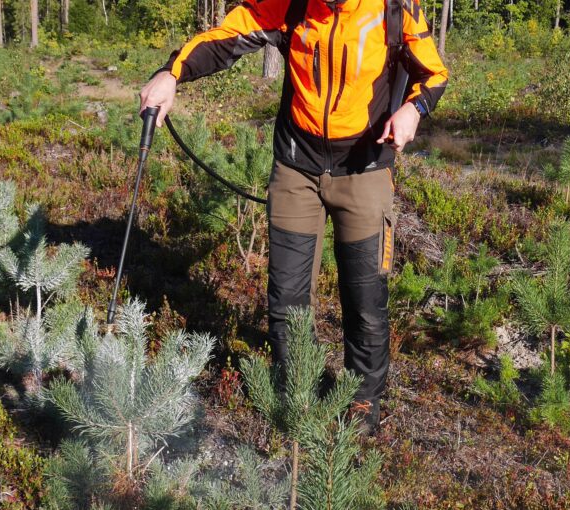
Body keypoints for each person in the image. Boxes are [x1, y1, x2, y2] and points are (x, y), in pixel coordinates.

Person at [139, 0, 448, 434]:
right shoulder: (291, 3)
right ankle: (295, 390)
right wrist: (171, 73)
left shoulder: (395, 9)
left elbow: (434, 72)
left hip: (365, 168)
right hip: (295, 166)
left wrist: (412, 110)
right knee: (286, 298)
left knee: (365, 301)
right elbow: (229, 35)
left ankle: (361, 401)